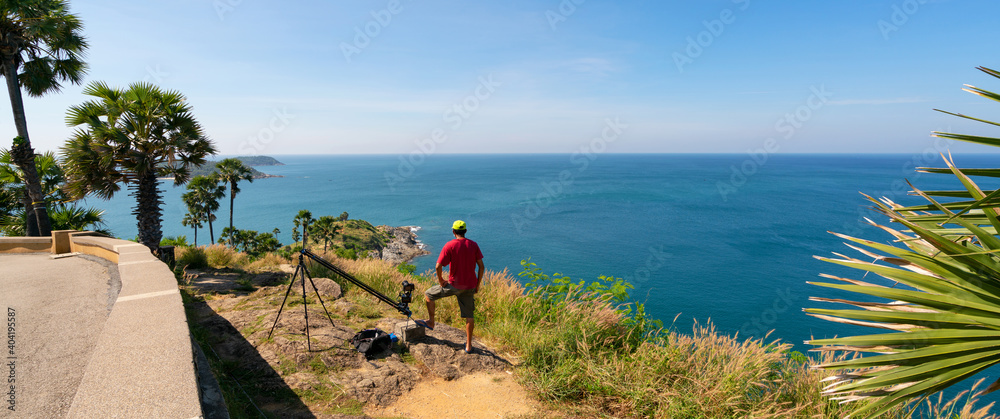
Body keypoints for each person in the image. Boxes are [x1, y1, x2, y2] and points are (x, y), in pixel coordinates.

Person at [416, 220, 484, 353]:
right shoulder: (473, 245)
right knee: (469, 315)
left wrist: (441, 280)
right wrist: (477, 284)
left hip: (453, 285)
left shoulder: (450, 245)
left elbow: (438, 266)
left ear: (453, 231)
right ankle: (469, 346)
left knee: (429, 294)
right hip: (469, 286)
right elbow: (481, 266)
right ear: (465, 231)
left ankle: (431, 322)